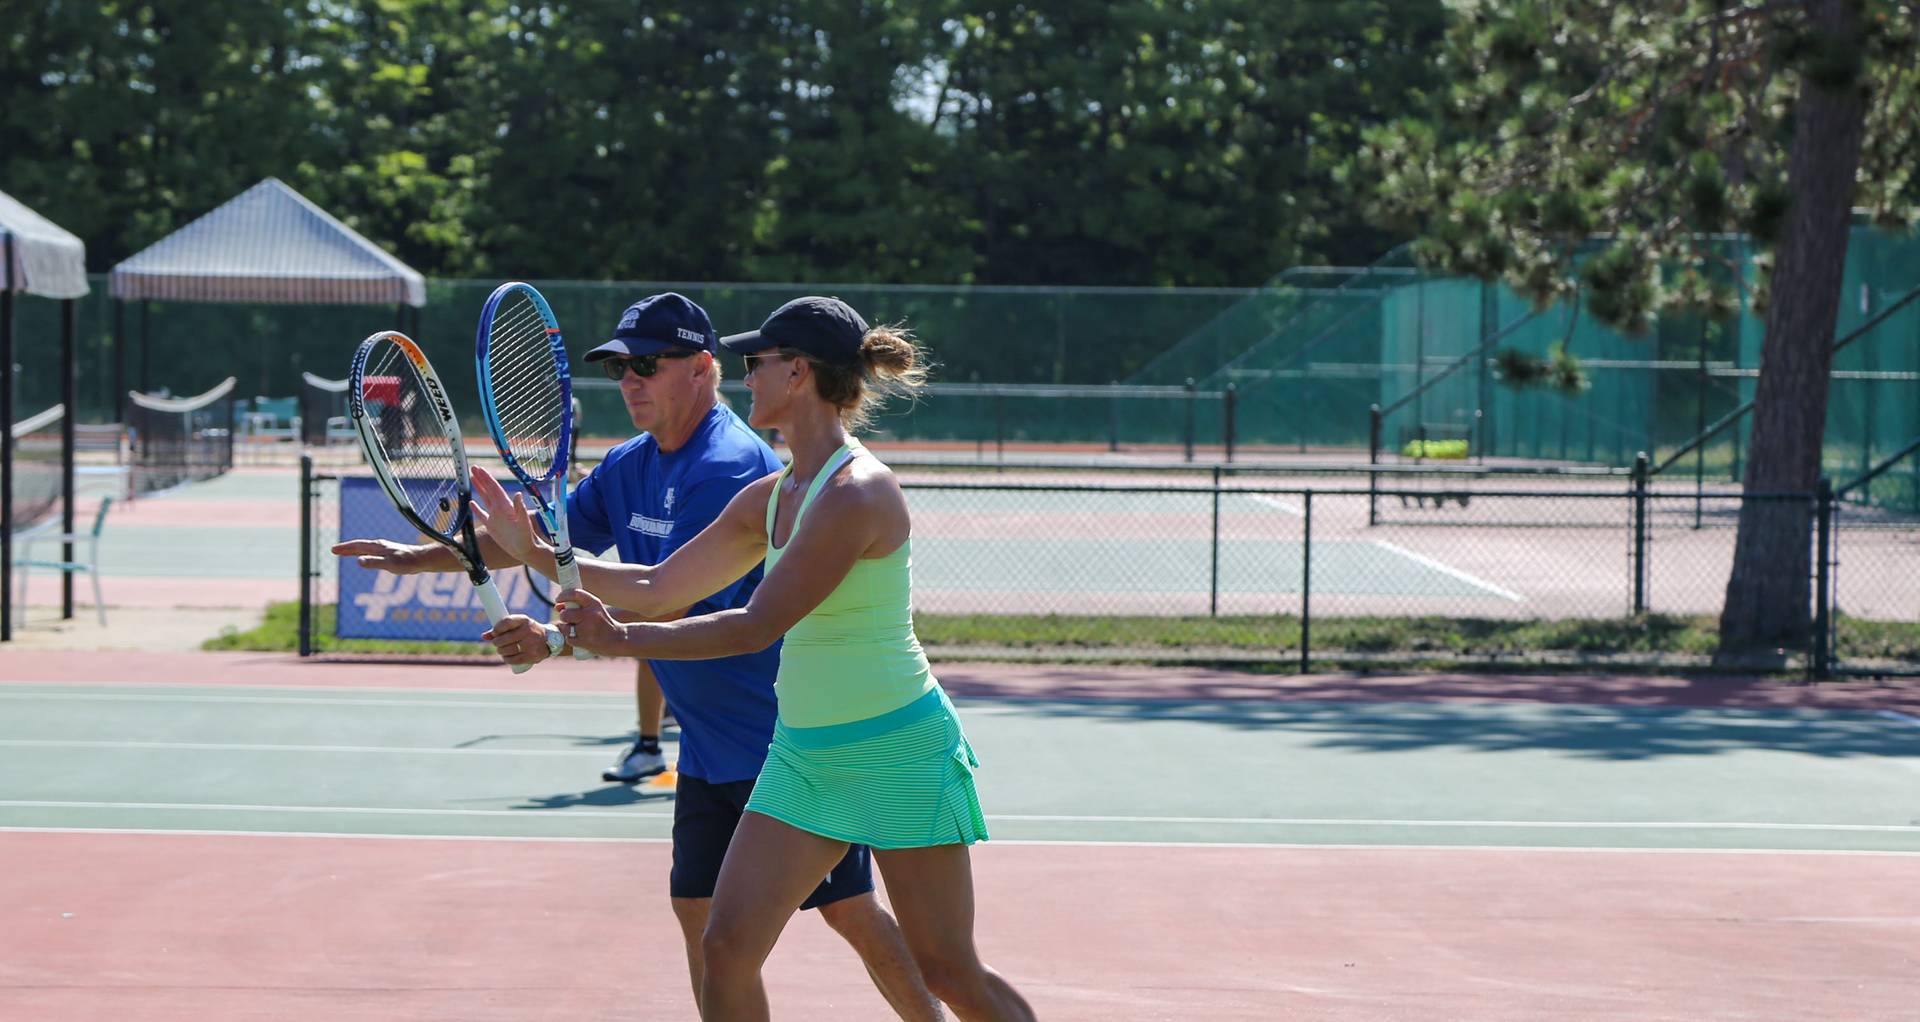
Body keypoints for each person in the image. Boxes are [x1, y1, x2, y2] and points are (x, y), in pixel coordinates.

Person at [333, 293, 940, 1020]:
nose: (630, 380)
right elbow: (550, 546)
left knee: (848, 911)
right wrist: (420, 557)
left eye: (648, 365)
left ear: (702, 369)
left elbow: (669, 599)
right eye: (619, 367)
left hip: (777, 736)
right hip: (709, 741)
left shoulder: (731, 467)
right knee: (701, 914)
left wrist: (555, 637)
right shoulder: (630, 464)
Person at [479, 296, 1036, 1021]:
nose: (745, 377)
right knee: (727, 944)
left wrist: (617, 637)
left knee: (949, 970)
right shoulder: (772, 495)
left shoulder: (856, 493)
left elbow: (755, 625)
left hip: (896, 750)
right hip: (805, 753)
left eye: (756, 362)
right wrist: (537, 554)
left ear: (797, 372)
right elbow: (659, 585)